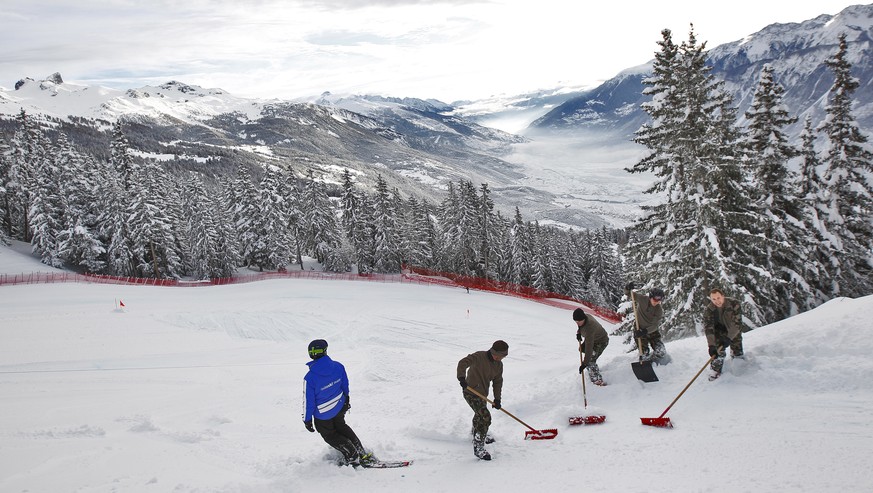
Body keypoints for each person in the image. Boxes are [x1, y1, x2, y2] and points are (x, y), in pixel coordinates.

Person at [302, 339, 374, 467]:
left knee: (330, 435)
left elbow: (309, 402)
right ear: (325, 351)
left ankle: (352, 456)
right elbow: (345, 386)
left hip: (323, 415)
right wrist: (346, 400)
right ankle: (361, 452)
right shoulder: (338, 366)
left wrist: (307, 420)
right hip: (340, 406)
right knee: (341, 427)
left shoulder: (309, 378)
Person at [457, 340, 508, 461]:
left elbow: (497, 382)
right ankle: (478, 446)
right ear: (494, 352)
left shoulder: (499, 365)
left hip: (483, 395)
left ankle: (477, 433)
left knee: (479, 415)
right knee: (485, 417)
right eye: (500, 355)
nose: (501, 358)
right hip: (470, 392)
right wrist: (461, 377)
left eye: (504, 356)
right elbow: (463, 362)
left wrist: (497, 399)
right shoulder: (479, 356)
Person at [703, 288, 744, 376]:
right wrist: (711, 345)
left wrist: (729, 338)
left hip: (733, 330)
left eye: (718, 298)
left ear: (723, 296)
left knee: (737, 347)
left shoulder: (734, 304)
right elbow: (708, 328)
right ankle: (715, 371)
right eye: (713, 299)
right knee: (718, 350)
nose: (717, 301)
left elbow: (737, 324)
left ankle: (740, 368)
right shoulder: (709, 310)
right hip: (719, 331)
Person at [625, 282, 669, 363]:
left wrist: (645, 331)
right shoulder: (643, 299)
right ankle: (646, 360)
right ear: (651, 297)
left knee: (661, 351)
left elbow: (655, 326)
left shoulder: (659, 310)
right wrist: (627, 288)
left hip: (652, 331)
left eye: (660, 300)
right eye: (655, 299)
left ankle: (658, 362)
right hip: (639, 329)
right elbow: (629, 294)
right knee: (644, 353)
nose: (657, 302)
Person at [573, 308, 609, 386]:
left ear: (583, 318)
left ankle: (597, 380)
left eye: (579, 321)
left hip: (601, 341)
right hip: (593, 338)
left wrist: (584, 364)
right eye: (576, 321)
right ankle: (592, 368)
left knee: (590, 360)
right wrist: (579, 333)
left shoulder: (590, 328)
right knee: (582, 349)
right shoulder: (585, 317)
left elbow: (589, 348)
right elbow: (580, 327)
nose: (577, 323)